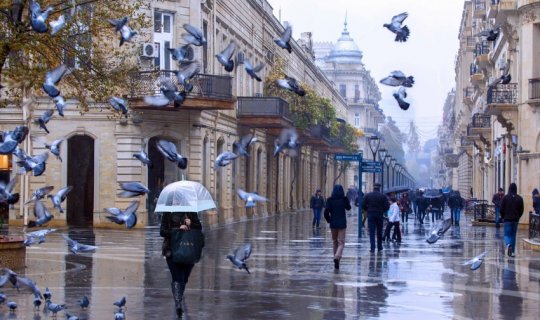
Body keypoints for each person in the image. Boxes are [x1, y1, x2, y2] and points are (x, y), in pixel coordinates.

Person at [160, 211, 203, 318]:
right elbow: (162, 231)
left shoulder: (191, 212)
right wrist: (178, 230)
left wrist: (191, 224)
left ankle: (178, 295)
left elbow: (199, 228)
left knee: (184, 279)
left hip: (189, 250)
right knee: (178, 277)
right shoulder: (167, 213)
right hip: (171, 250)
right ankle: (178, 305)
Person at [324, 184, 351, 269]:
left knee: (335, 241)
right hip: (342, 224)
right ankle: (337, 257)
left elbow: (326, 212)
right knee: (341, 242)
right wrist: (346, 199)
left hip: (333, 224)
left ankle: (336, 261)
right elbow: (348, 208)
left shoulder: (330, 200)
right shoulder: (344, 199)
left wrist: (329, 220)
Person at [362, 183, 390, 253]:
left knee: (371, 232)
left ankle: (372, 248)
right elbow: (387, 206)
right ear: (379, 188)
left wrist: (368, 209)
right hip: (379, 214)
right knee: (379, 231)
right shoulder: (383, 196)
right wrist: (382, 210)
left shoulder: (368, 195)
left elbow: (363, 205)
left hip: (371, 214)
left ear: (373, 187)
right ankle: (379, 247)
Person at [500, 183, 524, 257]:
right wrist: (518, 216)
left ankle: (508, 244)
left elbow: (501, 209)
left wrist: (503, 217)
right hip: (515, 220)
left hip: (507, 219)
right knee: (513, 235)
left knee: (506, 235)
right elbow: (522, 210)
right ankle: (512, 252)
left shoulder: (505, 198)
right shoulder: (519, 198)